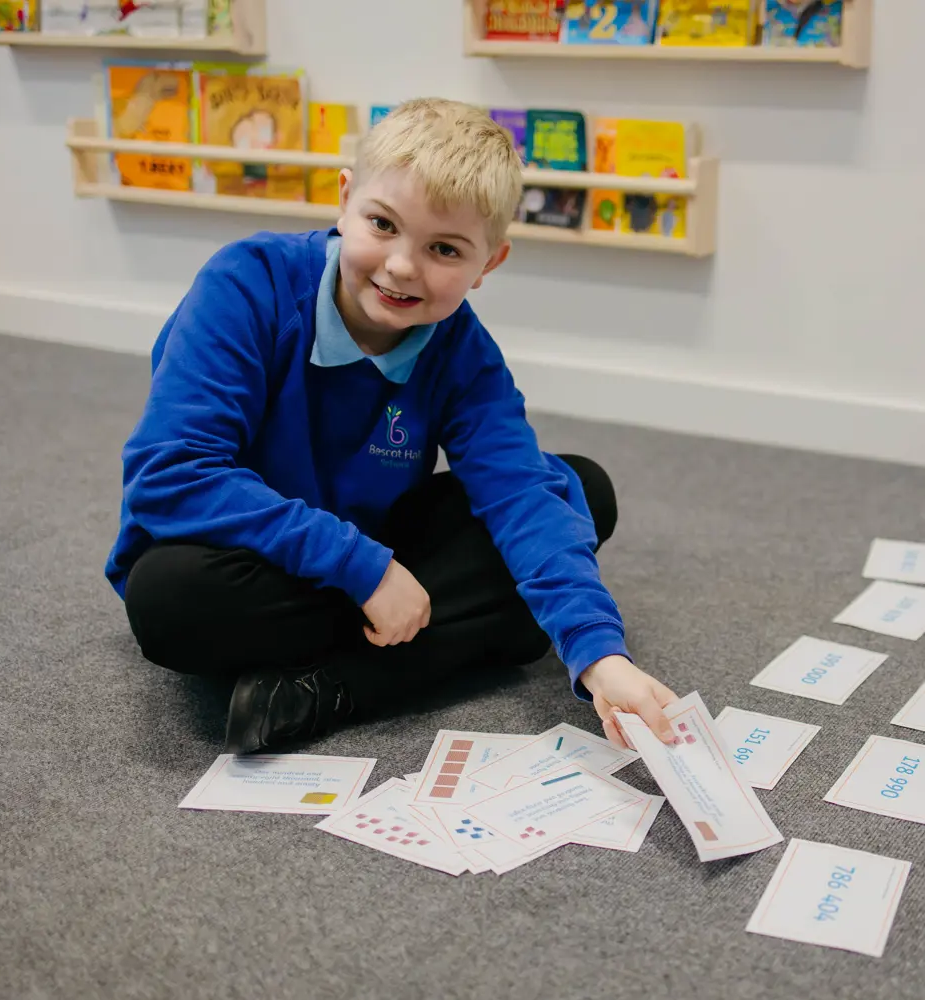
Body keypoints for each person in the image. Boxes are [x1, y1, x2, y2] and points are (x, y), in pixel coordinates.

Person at [104, 98, 678, 755]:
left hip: (373, 543)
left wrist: (601, 658)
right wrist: (366, 571)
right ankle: (474, 626)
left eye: (444, 249)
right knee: (168, 600)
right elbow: (171, 476)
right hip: (249, 554)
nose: (403, 267)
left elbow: (517, 492)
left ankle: (339, 685)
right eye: (382, 224)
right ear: (344, 202)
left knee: (578, 490)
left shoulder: (462, 350)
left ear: (489, 263)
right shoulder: (246, 283)